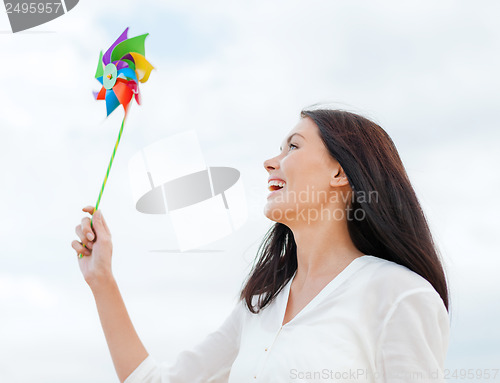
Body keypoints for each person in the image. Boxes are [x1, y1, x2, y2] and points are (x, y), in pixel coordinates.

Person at [72, 107, 450, 383]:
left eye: (293, 147)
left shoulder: (399, 295)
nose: (271, 162)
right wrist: (101, 280)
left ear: (339, 172)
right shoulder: (259, 306)